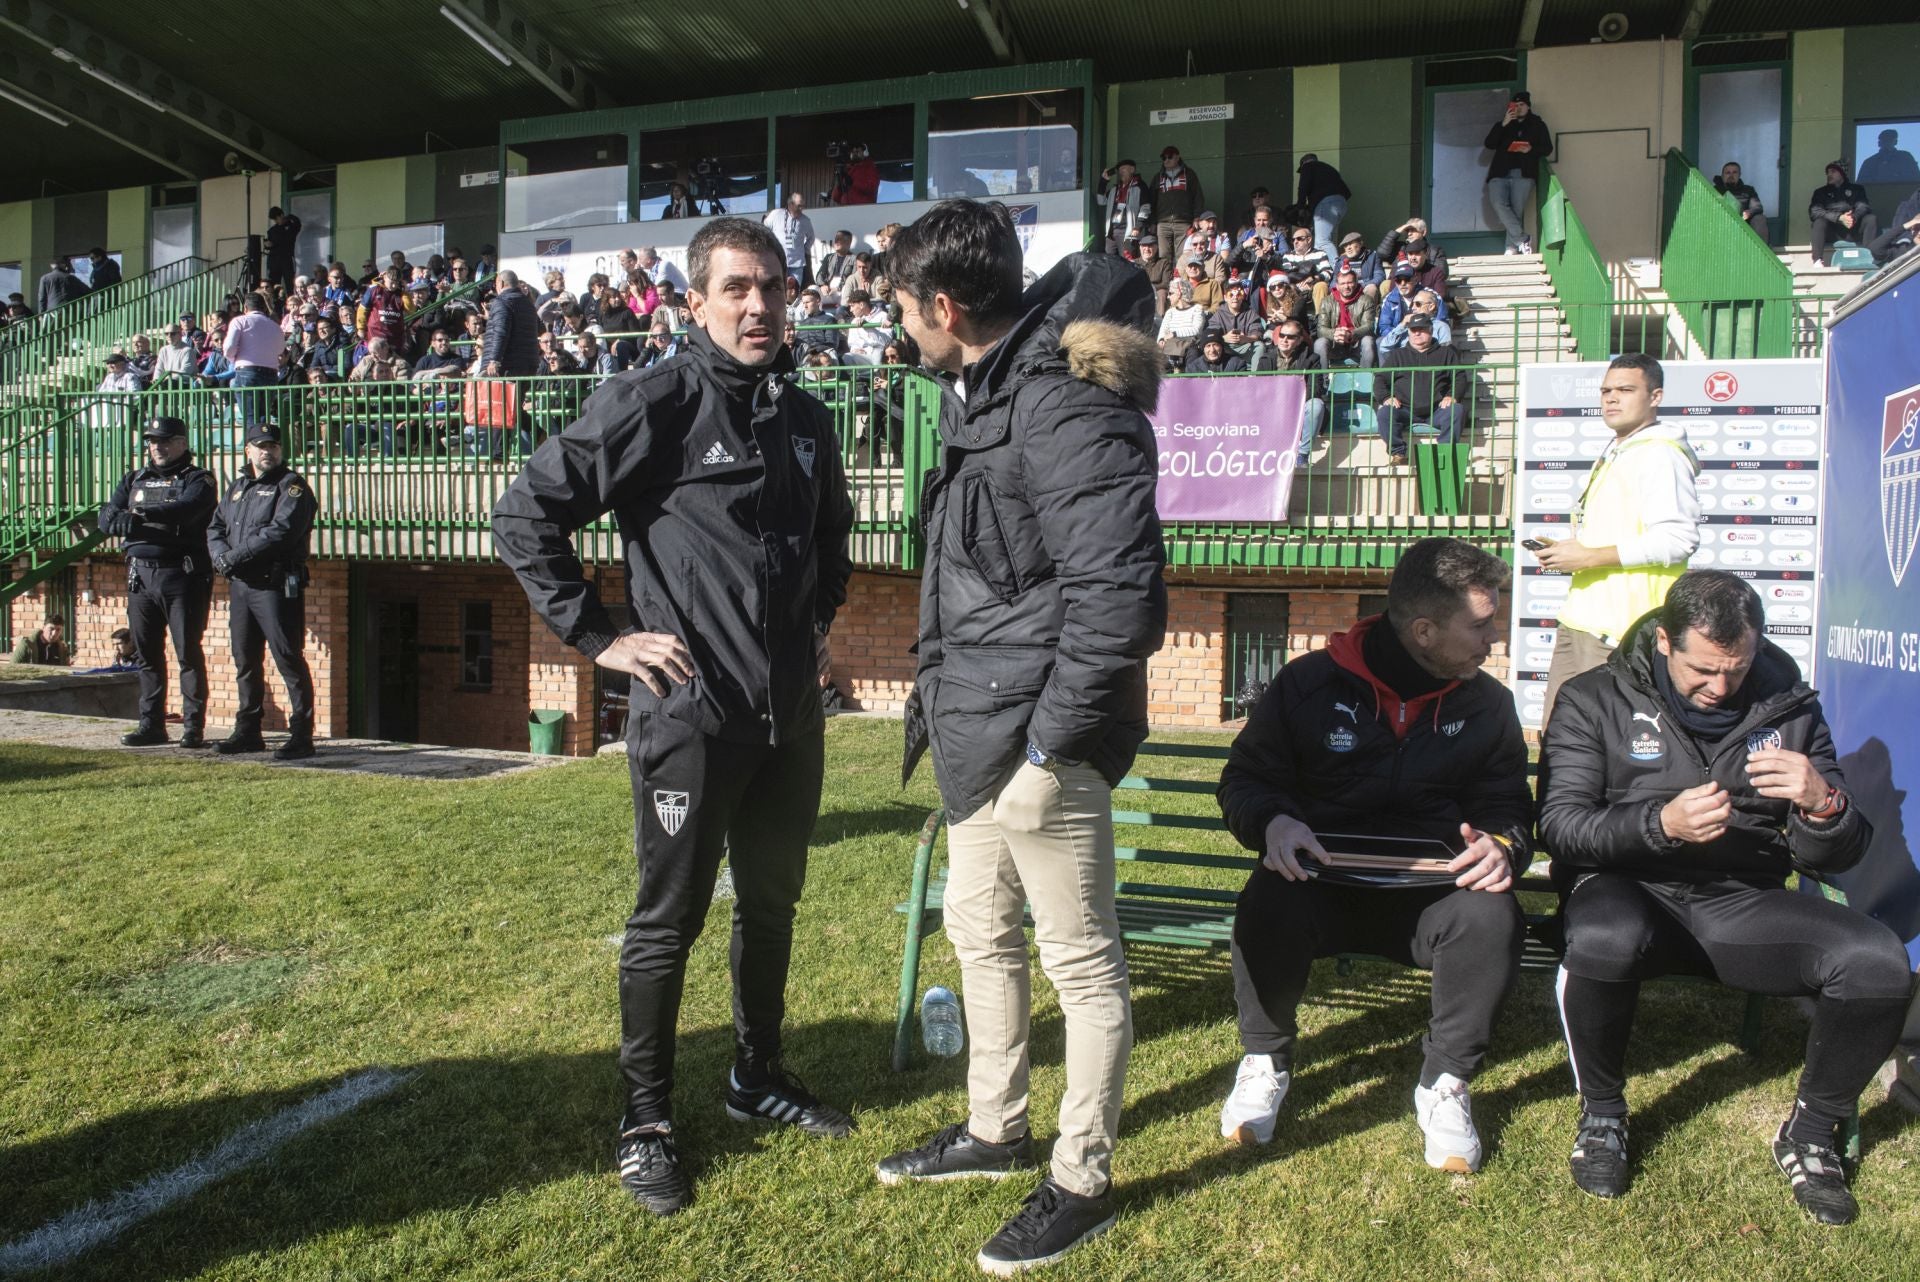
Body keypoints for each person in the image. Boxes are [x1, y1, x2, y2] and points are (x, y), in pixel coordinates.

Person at [492, 216, 856, 1218]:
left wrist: (814, 627)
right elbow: (526, 512)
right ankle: (645, 1121)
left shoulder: (807, 418)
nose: (757, 306)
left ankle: (756, 1073)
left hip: (790, 721)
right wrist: (601, 638)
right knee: (669, 921)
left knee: (773, 903)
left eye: (772, 288)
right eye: (736, 289)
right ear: (693, 303)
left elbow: (833, 542)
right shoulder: (656, 398)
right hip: (690, 717)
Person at [879, 200, 1166, 1276]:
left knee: (1082, 967)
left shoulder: (1061, 407)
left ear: (946, 307)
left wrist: (1052, 752)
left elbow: (1120, 603)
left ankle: (1080, 1175)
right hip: (975, 739)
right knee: (980, 935)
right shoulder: (984, 394)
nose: (903, 330)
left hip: (1042, 747)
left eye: (907, 311)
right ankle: (996, 1130)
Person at [1538, 570, 1912, 1225]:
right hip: (1628, 886)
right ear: (1663, 641)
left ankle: (1811, 1132)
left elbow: (1837, 854)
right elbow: (1561, 827)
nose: (1720, 687)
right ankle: (1602, 1114)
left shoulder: (1789, 707)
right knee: (1603, 936)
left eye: (1736, 670)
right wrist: (1659, 825)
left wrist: (1823, 804)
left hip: (1740, 901)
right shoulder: (1594, 697)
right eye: (1703, 670)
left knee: (1877, 959)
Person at [1217, 537, 1529, 1171]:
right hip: (1323, 886)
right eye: (1479, 624)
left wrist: (1502, 847)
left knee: (1492, 914)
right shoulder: (1308, 683)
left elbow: (1508, 804)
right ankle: (1265, 1060)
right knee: (1270, 895)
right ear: (1423, 629)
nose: (1491, 638)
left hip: (1434, 896)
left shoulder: (1488, 704)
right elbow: (1246, 780)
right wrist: (1273, 822)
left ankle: (1444, 1082)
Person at [1532, 353, 1701, 725]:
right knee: (1561, 745)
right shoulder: (1621, 450)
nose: (1611, 398)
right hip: (1581, 621)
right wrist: (1570, 554)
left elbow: (1678, 538)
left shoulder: (1659, 455)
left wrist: (1590, 557)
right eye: (1606, 390)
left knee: (1603, 750)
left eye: (1625, 390)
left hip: (1621, 632)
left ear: (1655, 397)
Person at [98, 415, 218, 748]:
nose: (157, 447)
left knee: (187, 654)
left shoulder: (199, 479)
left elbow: (186, 510)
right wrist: (125, 519)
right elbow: (107, 516)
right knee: (147, 654)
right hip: (141, 575)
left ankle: (193, 728)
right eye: (152, 441)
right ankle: (151, 724)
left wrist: (138, 517)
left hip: (181, 574)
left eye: (164, 441)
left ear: (182, 443)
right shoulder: (136, 477)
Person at [207, 424, 318, 761]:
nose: (267, 452)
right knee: (245, 659)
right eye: (260, 446)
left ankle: (301, 734)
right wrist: (219, 557)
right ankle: (248, 730)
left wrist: (235, 557)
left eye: (273, 446)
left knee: (287, 657)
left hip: (274, 584)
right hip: (241, 585)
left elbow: (281, 532)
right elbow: (215, 527)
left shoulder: (292, 487)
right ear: (247, 451)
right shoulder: (238, 488)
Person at [1373, 315, 1465, 465]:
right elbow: (1380, 380)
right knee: (1385, 412)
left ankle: (1444, 453)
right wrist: (1386, 397)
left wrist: (1452, 396)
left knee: (1457, 410)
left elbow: (1460, 377)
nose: (1417, 333)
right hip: (1404, 410)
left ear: (1431, 331)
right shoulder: (1397, 355)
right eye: (1413, 330)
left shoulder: (1446, 353)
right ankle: (1398, 453)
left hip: (1437, 410)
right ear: (1408, 332)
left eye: (1421, 330)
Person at [1484, 91, 1552, 254]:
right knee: (1498, 203)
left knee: (1516, 210)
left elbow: (1547, 148)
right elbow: (1489, 143)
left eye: (1522, 105)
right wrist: (1504, 124)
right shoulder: (1503, 124)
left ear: (1528, 106)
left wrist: (1530, 149)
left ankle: (1511, 247)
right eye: (1515, 105)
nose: (1519, 108)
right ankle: (1522, 239)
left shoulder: (1537, 124)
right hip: (1499, 173)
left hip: (1523, 174)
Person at [1270, 321, 1328, 464]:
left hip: (1300, 406)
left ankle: (1302, 454)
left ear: (1299, 340)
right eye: (1282, 335)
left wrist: (1292, 402)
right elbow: (1259, 389)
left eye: (1290, 337)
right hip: (1272, 407)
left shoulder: (1312, 359)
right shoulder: (1266, 359)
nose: (1284, 340)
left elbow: (1315, 388)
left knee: (1317, 405)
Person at [223, 293, 284, 427]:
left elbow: (229, 347)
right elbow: (280, 349)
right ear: (264, 308)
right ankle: (263, 445)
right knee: (263, 416)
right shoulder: (275, 326)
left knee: (250, 416)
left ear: (245, 307)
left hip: (247, 372)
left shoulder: (239, 321)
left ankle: (252, 445)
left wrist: (233, 359)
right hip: (271, 373)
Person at [1809, 162, 1879, 266]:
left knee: (1871, 218)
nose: (1829, 175)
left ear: (1842, 174)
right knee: (1819, 222)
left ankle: (1868, 256)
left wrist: (1853, 217)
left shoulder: (1857, 189)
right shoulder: (1820, 192)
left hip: (1853, 229)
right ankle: (1817, 261)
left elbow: (1863, 206)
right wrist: (1839, 218)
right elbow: (1814, 211)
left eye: (1833, 171)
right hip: (1833, 232)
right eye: (1827, 172)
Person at [1152, 145, 1205, 263]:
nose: (1166, 160)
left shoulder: (1189, 174)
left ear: (1177, 157)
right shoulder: (1158, 177)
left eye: (1169, 157)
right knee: (1163, 256)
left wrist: (1197, 216)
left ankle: (1180, 281)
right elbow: (1152, 200)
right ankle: (1166, 281)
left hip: (1184, 222)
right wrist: (1152, 222)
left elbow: (1198, 196)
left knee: (1183, 256)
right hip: (1162, 223)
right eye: (1164, 158)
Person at [1316, 267, 1377, 368]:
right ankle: (1322, 381)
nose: (1346, 287)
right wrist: (1334, 333)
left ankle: (1365, 379)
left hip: (1357, 344)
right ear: (1337, 285)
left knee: (1368, 341)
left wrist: (1350, 334)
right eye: (1343, 283)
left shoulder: (1366, 300)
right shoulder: (1326, 302)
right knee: (1320, 343)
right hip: (1335, 345)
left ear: (1356, 283)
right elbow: (1320, 329)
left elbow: (1369, 326)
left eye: (1350, 282)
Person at [1295, 153, 1351, 262]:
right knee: (1329, 240)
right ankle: (1329, 268)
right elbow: (1347, 192)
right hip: (1341, 204)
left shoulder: (1307, 166)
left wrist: (1300, 208)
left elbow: (1303, 188)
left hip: (1326, 204)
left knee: (1322, 241)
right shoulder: (1330, 169)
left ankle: (1336, 271)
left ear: (1303, 164)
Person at [1099, 158, 1153, 253]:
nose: (1120, 172)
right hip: (1111, 233)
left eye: (1123, 168)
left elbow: (1145, 208)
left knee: (1126, 263)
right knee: (1110, 264)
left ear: (1132, 170)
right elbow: (1101, 201)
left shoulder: (1140, 186)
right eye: (1119, 170)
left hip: (1128, 233)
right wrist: (1103, 181)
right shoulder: (1114, 189)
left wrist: (1138, 226)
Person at [765, 193, 816, 288]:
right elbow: (765, 230)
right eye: (799, 206)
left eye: (803, 206)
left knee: (794, 291)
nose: (801, 209)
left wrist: (805, 249)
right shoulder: (776, 214)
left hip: (797, 264)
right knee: (779, 289)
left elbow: (811, 238)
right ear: (790, 204)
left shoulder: (805, 221)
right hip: (779, 262)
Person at [1713, 162, 1770, 242]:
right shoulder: (1714, 190)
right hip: (1721, 223)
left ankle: (1761, 251)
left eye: (1734, 172)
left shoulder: (1748, 190)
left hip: (1743, 224)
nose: (1731, 175)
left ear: (1739, 175)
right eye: (1728, 173)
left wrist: (1749, 212)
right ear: (1722, 175)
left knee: (1759, 219)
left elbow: (1757, 207)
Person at [1867, 186, 1920, 266]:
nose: (1919, 233)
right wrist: (1907, 225)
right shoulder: (1902, 250)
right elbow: (1875, 248)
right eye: (1917, 228)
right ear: (1911, 231)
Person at [265, 206, 303, 293]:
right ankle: (276, 303)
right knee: (274, 283)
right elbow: (269, 244)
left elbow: (298, 223)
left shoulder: (291, 227)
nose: (276, 221)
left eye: (277, 218)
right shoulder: (272, 230)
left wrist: (288, 217)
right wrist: (268, 245)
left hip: (287, 258)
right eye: (274, 219)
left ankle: (292, 302)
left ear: (281, 215)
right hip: (274, 260)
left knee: (290, 283)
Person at [1133, 233, 1173, 314]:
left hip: (1157, 292)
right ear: (1140, 248)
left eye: (1150, 246)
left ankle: (1159, 322)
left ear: (1156, 248)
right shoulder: (1134, 263)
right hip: (1139, 292)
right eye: (1144, 246)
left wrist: (1150, 288)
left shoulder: (1163, 263)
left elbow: (1166, 283)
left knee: (1162, 293)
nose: (1147, 249)